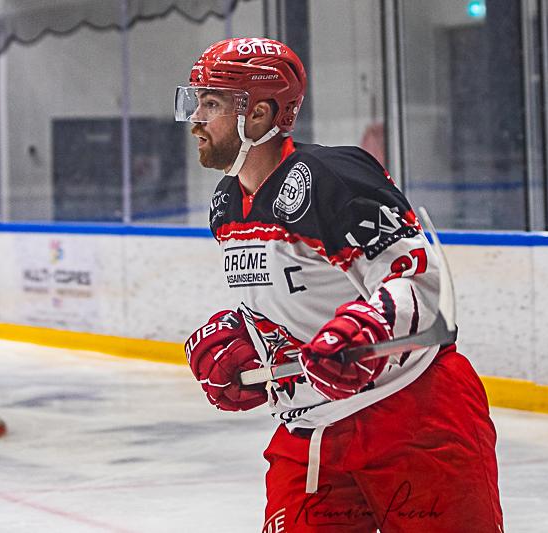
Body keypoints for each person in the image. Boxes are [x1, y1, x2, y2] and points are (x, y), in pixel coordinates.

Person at [177, 37, 503, 532]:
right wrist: (252, 343)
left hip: (413, 413)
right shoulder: (226, 203)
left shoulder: (335, 177)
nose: (196, 118)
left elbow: (420, 284)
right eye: (197, 101)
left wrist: (371, 333)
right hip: (311, 430)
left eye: (213, 103)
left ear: (260, 114)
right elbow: (293, 298)